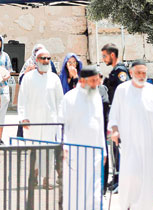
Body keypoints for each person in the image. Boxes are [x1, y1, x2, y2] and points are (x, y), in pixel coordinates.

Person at [108, 60, 153, 210]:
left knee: (149, 181)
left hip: (151, 144)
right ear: (131, 73)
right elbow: (114, 114)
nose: (142, 76)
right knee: (130, 179)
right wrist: (115, 130)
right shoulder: (122, 90)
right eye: (138, 73)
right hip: (131, 143)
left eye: (144, 73)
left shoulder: (152, 90)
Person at [58, 65, 105, 210]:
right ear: (82, 81)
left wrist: (104, 150)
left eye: (97, 80)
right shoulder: (69, 98)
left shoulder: (96, 96)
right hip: (74, 152)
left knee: (94, 191)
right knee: (74, 189)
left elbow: (100, 125)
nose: (96, 84)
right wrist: (63, 146)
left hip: (95, 153)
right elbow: (61, 125)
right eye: (93, 81)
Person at [17, 48, 64, 183]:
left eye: (48, 58)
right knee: (34, 149)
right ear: (37, 60)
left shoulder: (54, 78)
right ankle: (34, 175)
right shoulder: (28, 78)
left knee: (48, 150)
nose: (46, 61)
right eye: (43, 58)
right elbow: (22, 99)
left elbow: (60, 101)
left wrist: (60, 119)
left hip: (50, 120)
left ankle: (47, 179)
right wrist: (23, 117)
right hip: (32, 120)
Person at [101, 43, 129, 191]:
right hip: (115, 114)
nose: (103, 59)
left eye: (105, 56)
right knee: (115, 149)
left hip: (121, 115)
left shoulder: (120, 71)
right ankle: (117, 177)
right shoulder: (114, 71)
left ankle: (121, 178)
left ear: (112, 55)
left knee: (119, 149)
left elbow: (124, 92)